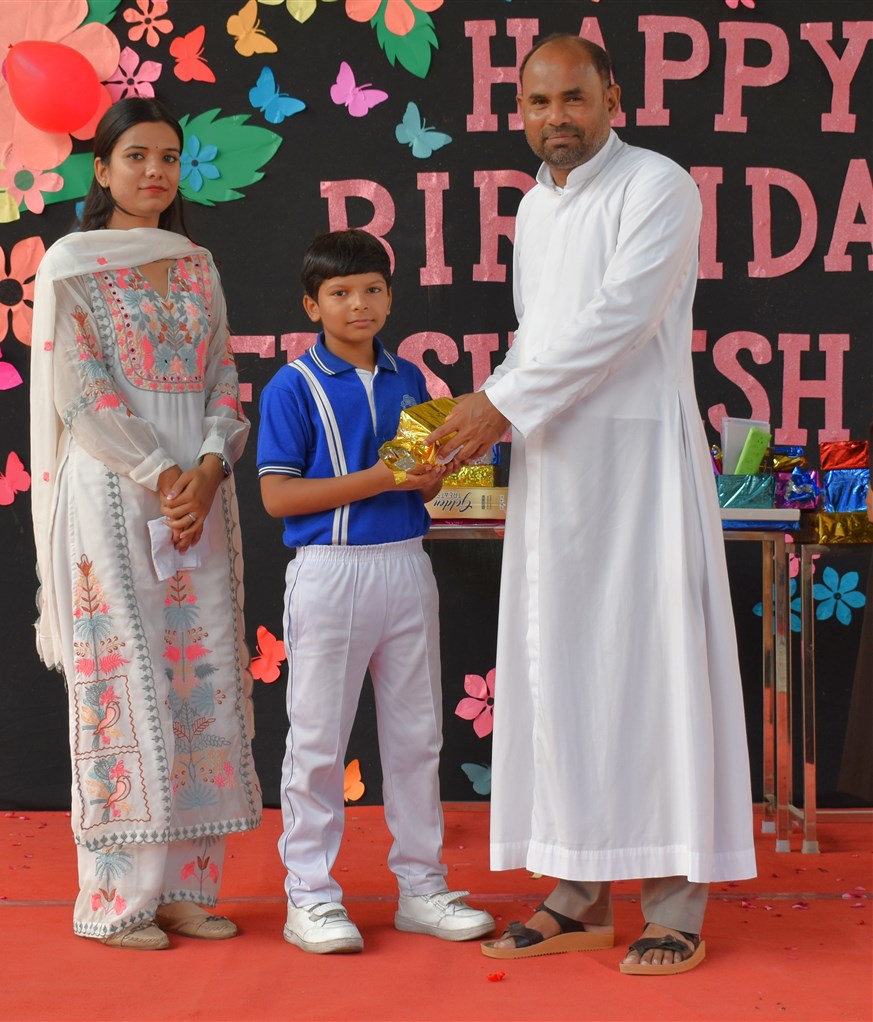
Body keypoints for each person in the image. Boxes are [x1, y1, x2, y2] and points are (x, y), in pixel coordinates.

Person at [426, 35, 756, 975]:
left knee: (652, 670)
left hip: (639, 470)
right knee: (558, 670)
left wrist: (498, 403)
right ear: (518, 111)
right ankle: (576, 893)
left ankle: (674, 904)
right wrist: (474, 418)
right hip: (553, 466)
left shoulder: (657, 185)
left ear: (613, 97)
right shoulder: (534, 206)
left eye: (572, 98)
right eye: (537, 103)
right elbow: (538, 338)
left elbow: (620, 318)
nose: (555, 118)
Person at [30, 97, 261, 950]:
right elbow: (81, 389)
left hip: (198, 495)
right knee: (126, 683)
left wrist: (208, 464)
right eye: (136, 156)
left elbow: (222, 373)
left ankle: (185, 891)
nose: (155, 172)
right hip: (114, 490)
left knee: (199, 679)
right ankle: (116, 900)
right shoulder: (72, 264)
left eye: (168, 157)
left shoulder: (196, 265)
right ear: (102, 168)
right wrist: (163, 474)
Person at [255, 229, 495, 954]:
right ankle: (310, 896)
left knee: (418, 739)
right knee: (318, 741)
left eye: (371, 289)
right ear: (312, 305)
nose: (357, 303)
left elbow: (423, 483)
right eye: (339, 293)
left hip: (406, 565)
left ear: (389, 297)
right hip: (329, 571)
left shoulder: (409, 379)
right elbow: (277, 498)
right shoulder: (292, 386)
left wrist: (436, 475)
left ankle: (421, 888)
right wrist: (385, 478)